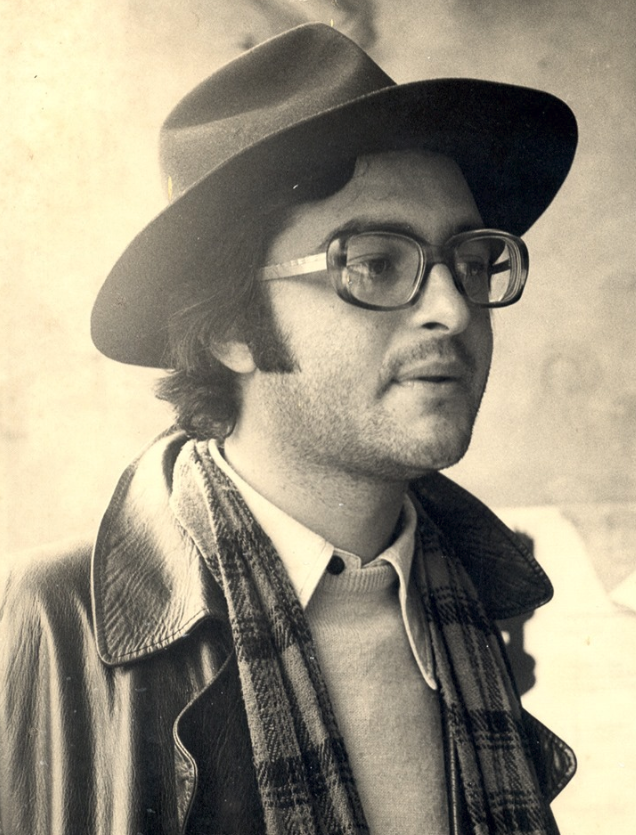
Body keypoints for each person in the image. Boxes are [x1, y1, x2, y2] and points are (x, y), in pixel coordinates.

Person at [0, 23, 578, 835]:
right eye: (376, 264)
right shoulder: (54, 618)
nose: (454, 309)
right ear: (230, 327)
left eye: (472, 263)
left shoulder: (487, 595)